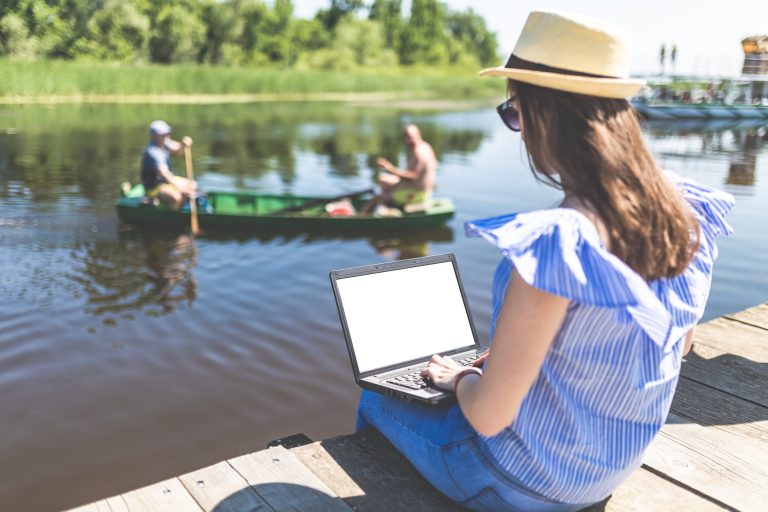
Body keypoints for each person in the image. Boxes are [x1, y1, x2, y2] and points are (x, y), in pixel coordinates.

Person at [356, 10, 734, 512]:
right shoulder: (686, 213)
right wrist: (531, 356)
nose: (517, 129)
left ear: (543, 113)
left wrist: (463, 378)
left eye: (514, 111)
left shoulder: (559, 242)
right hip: (612, 467)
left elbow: (489, 418)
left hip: (523, 483)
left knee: (378, 399)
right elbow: (676, 343)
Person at [361, 124, 438, 214]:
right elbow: (435, 164)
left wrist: (390, 169)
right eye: (406, 138)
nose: (408, 141)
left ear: (418, 134)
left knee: (378, 197)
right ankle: (386, 207)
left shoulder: (419, 153)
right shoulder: (425, 146)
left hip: (417, 195)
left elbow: (413, 176)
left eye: (411, 137)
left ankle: (361, 217)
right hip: (419, 189)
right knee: (383, 179)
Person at [141, 120, 196, 210]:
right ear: (153, 136)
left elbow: (178, 149)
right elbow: (165, 173)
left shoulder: (165, 142)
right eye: (163, 134)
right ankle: (171, 216)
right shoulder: (152, 152)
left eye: (167, 133)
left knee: (192, 184)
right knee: (175, 197)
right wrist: (180, 188)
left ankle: (179, 207)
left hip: (165, 182)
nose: (166, 136)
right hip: (154, 187)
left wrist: (183, 143)